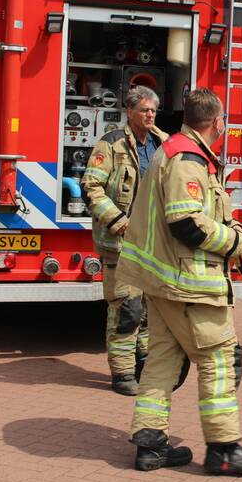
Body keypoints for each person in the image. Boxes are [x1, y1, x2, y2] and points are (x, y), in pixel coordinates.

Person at [118, 88, 242, 475]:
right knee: (218, 360)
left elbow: (201, 212)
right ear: (218, 122)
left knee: (162, 361)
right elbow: (185, 222)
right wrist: (235, 242)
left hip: (165, 281)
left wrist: (236, 229)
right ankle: (223, 449)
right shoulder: (187, 158)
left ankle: (150, 445)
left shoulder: (177, 150)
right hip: (189, 284)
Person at [80, 85, 167, 396]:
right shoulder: (111, 144)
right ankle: (122, 373)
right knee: (126, 309)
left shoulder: (162, 143)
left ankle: (143, 365)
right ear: (129, 112)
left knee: (147, 311)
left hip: (152, 244)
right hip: (120, 244)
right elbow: (91, 187)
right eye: (144, 109)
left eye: (153, 110)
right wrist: (118, 222)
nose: (150, 114)